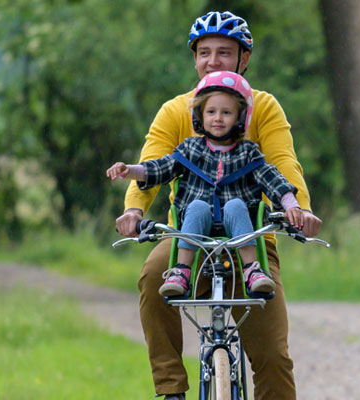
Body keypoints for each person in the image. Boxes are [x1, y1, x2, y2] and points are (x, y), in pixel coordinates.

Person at [113, 11, 321, 400]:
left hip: (251, 242)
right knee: (152, 276)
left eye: (224, 52)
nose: (212, 61)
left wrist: (301, 210)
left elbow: (282, 165)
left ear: (244, 59)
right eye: (204, 52)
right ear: (194, 59)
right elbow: (152, 166)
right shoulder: (177, 111)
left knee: (274, 357)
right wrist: (133, 211)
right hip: (185, 241)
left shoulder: (263, 107)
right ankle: (171, 388)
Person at [107, 71, 298, 296]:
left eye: (226, 112)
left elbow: (273, 179)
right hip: (196, 226)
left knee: (237, 204)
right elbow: (159, 168)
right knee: (196, 206)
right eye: (211, 112)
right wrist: (129, 171)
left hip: (237, 227)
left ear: (240, 118)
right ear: (200, 115)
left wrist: (292, 206)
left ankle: (252, 270)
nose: (218, 118)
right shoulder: (190, 150)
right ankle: (181, 271)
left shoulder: (248, 153)